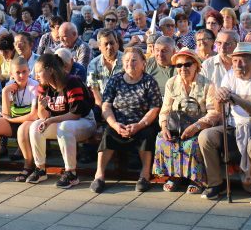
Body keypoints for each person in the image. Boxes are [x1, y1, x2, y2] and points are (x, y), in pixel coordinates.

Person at [199, 43, 251, 205]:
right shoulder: (230, 75)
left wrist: (234, 98)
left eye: (242, 60)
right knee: (206, 136)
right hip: (235, 126)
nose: (237, 65)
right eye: (234, 60)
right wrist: (219, 97)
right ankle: (216, 184)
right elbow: (218, 109)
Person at [91, 47, 162, 194]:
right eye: (127, 60)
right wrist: (114, 124)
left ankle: (145, 176)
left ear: (143, 63)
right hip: (119, 123)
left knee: (147, 135)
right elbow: (106, 105)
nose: (130, 64)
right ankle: (99, 175)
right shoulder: (115, 80)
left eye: (134, 60)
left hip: (142, 124)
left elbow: (154, 109)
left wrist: (139, 125)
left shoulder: (149, 81)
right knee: (108, 134)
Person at [27, 53, 96, 188]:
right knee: (35, 126)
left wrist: (50, 121)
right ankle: (40, 169)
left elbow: (76, 114)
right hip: (60, 123)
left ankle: (71, 173)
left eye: (39, 72)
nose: (36, 76)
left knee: (65, 127)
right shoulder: (43, 86)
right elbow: (43, 116)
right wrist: (42, 107)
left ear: (50, 70)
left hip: (85, 121)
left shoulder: (72, 82)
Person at [153, 49, 217, 193]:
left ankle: (196, 178)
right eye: (179, 65)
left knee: (193, 142)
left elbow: (214, 112)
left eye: (187, 64)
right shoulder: (171, 83)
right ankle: (174, 176)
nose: (183, 68)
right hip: (176, 125)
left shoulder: (208, 84)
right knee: (162, 138)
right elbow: (165, 110)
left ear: (196, 66)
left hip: (199, 125)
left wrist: (196, 126)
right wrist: (164, 126)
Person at [0, 56, 39, 181]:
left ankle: (28, 166)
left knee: (22, 130)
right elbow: (6, 114)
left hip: (29, 122)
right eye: (18, 72)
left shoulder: (34, 86)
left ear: (29, 71)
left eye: (24, 72)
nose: (21, 75)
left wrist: (11, 120)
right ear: (11, 74)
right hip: (14, 120)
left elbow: (33, 115)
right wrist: (5, 92)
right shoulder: (9, 85)